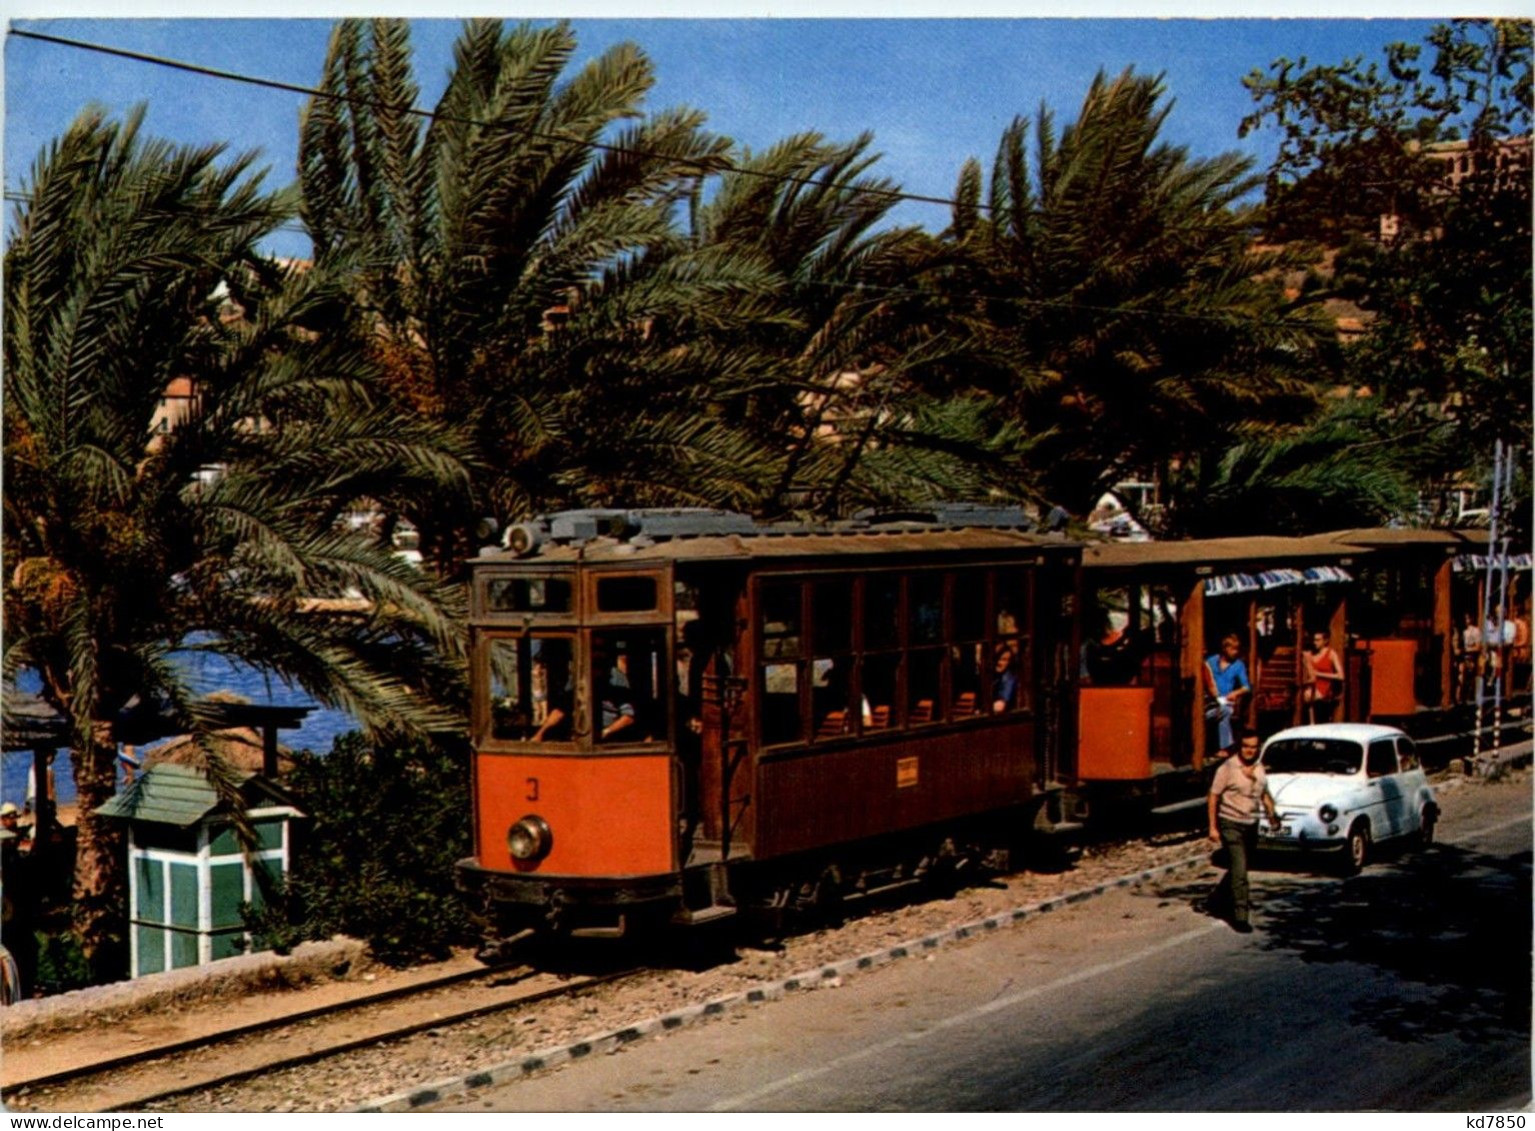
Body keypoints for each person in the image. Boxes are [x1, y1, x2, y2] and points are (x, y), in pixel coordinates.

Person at [1206, 729, 1281, 933]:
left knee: (1240, 868)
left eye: (1254, 747)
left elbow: (1264, 793)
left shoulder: (1259, 767)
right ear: (1240, 747)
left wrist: (1273, 815)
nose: (1250, 751)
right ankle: (1240, 916)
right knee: (1240, 871)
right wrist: (1213, 827)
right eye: (1246, 747)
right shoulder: (1228, 768)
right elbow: (1213, 797)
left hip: (1251, 824)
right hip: (1231, 823)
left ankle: (1216, 899)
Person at [1203, 634, 1251, 755]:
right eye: (1233, 649)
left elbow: (1246, 687)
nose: (1236, 652)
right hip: (1210, 702)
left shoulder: (1238, 665)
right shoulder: (1211, 661)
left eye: (1237, 649)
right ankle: (1226, 746)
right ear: (1225, 649)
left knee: (1226, 711)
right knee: (1223, 712)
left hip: (1226, 701)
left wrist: (1235, 692)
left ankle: (1225, 748)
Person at [1301, 631, 1344, 723]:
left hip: (1324, 687)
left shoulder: (1331, 653)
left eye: (1318, 640)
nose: (1315, 642)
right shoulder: (1312, 654)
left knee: (1306, 696)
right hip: (1312, 685)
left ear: (1325, 641)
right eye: (1314, 640)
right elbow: (1311, 674)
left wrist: (1319, 674)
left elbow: (1341, 675)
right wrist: (1307, 662)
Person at [992, 644, 1019, 713]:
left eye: (1004, 660)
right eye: (998, 659)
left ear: (1009, 663)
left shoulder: (1008, 678)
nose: (999, 663)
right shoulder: (993, 675)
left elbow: (1000, 706)